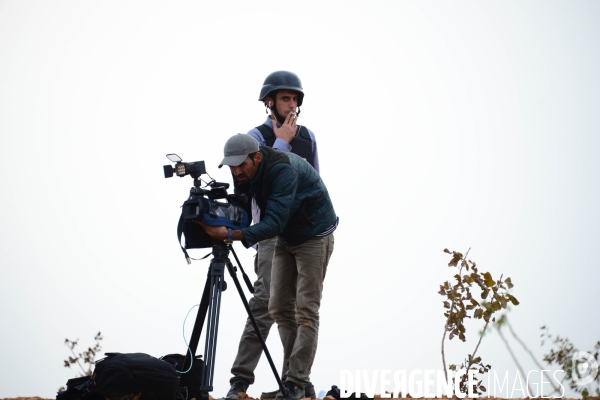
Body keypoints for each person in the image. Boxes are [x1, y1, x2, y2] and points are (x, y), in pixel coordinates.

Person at [198, 133, 337, 400]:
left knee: (306, 310)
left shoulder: (281, 170)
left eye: (240, 164)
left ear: (257, 157)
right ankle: (298, 382)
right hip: (288, 235)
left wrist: (228, 236)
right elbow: (244, 209)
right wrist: (213, 216)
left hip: (315, 234)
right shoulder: (244, 174)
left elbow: (272, 223)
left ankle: (295, 383)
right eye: (231, 166)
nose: (236, 171)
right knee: (277, 307)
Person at [229, 71, 321, 400]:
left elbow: (314, 183)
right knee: (264, 305)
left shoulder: (308, 138)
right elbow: (248, 185)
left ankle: (294, 383)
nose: (292, 104)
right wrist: (281, 141)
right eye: (285, 98)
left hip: (302, 236)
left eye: (295, 98)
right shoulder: (254, 138)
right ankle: (240, 381)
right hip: (269, 234)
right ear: (270, 103)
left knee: (294, 308)